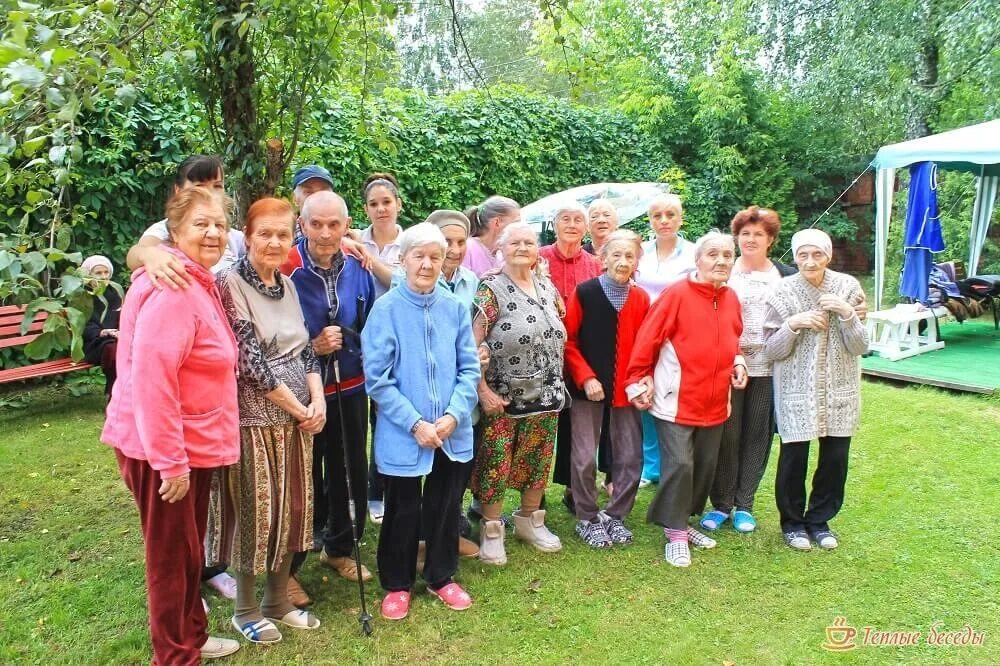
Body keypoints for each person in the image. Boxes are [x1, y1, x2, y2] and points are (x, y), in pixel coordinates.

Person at [101, 185, 241, 663]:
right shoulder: (175, 288)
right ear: (175, 230)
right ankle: (176, 654)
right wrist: (171, 463)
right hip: (163, 448)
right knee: (170, 559)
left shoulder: (195, 279)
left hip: (189, 442)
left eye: (220, 224)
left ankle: (192, 637)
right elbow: (152, 380)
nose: (213, 232)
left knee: (186, 553)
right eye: (201, 223)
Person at [210, 198, 325, 644]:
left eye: (282, 233)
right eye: (265, 233)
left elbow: (307, 349)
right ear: (248, 234)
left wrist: (318, 402)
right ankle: (246, 608)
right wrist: (299, 409)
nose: (275, 242)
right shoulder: (229, 282)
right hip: (255, 419)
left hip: (299, 418)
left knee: (295, 507)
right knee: (259, 511)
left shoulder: (288, 284)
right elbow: (249, 362)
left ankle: (278, 600)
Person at [362, 223, 481, 620]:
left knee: (446, 505)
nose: (427, 264)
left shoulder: (455, 309)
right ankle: (397, 583)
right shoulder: (386, 310)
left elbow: (469, 369)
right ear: (403, 259)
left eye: (436, 256)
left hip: (452, 429)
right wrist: (416, 424)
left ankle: (441, 575)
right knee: (403, 508)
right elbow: (377, 380)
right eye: (419, 256)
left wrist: (452, 416)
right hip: (404, 432)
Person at [625, 230, 747, 568]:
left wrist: (737, 362)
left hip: (715, 403)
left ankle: (682, 522)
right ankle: (675, 533)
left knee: (704, 467)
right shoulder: (676, 295)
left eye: (727, 255)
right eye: (713, 254)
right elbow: (648, 339)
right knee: (679, 464)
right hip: (674, 399)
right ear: (698, 260)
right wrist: (636, 380)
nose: (721, 261)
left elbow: (732, 341)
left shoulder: (732, 298)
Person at [280, 191, 376, 602]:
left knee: (349, 472)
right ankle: (287, 566)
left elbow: (371, 319)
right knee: (299, 479)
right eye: (315, 224)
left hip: (350, 387)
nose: (324, 232)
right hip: (297, 394)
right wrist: (312, 345)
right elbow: (270, 331)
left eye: (333, 224)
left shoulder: (359, 264)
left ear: (346, 224)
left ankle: (339, 547)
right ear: (301, 225)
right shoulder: (285, 265)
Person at [762, 229, 868, 552]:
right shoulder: (781, 291)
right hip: (796, 389)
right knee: (794, 456)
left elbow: (861, 345)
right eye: (803, 255)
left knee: (835, 457)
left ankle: (820, 520)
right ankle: (792, 523)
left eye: (817, 254)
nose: (810, 261)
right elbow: (771, 349)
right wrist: (794, 324)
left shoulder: (848, 287)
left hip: (840, 389)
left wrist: (848, 314)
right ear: (794, 257)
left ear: (828, 256)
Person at [470, 222, 566, 565]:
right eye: (515, 242)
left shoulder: (546, 286)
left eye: (529, 242)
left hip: (547, 396)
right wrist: (482, 390)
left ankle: (530, 521)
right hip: (504, 398)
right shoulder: (490, 289)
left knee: (538, 461)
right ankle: (492, 530)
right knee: (496, 464)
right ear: (501, 247)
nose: (522, 247)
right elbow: (473, 342)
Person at [699, 207, 796, 534]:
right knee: (726, 434)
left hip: (769, 367)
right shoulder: (723, 270)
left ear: (770, 239)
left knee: (757, 434)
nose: (751, 239)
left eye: (758, 234)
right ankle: (721, 504)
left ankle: (745, 505)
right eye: (745, 234)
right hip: (726, 365)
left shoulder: (785, 275)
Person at [564, 231, 649, 548]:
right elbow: (569, 341)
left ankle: (616, 516)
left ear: (637, 261)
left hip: (626, 390)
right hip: (588, 389)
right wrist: (585, 376)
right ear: (603, 258)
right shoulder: (584, 292)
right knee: (584, 456)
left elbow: (645, 345)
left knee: (629, 456)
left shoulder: (640, 299)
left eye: (630, 256)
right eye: (617, 255)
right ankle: (587, 517)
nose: (623, 261)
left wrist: (639, 380)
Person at [538, 202, 603, 514]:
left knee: (576, 431)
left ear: (586, 227)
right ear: (555, 224)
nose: (573, 225)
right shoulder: (538, 258)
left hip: (579, 356)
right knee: (541, 426)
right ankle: (534, 494)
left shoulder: (594, 264)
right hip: (542, 355)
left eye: (579, 220)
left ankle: (573, 490)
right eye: (566, 219)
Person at [633, 194, 696, 488]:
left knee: (674, 396)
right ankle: (650, 465)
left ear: (681, 219)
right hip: (642, 334)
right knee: (646, 395)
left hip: (680, 337)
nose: (664, 220)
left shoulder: (694, 253)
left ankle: (676, 460)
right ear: (650, 220)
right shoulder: (639, 253)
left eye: (671, 214)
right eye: (657, 215)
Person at [359, 172, 405, 525]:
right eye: (373, 204)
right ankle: (365, 491)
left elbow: (400, 282)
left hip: (400, 340)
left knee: (389, 415)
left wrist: (368, 258)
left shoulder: (411, 242)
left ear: (398, 204)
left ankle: (387, 488)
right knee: (363, 420)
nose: (380, 209)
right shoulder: (354, 239)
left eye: (386, 202)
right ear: (365, 209)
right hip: (360, 338)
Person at [125, 155, 246, 286]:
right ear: (178, 190)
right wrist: (151, 255)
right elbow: (135, 254)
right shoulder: (166, 229)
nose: (211, 193)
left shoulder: (229, 236)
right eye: (200, 186)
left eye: (217, 186)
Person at [81, 255, 121, 399]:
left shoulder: (115, 294)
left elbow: (124, 318)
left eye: (106, 273)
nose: (103, 277)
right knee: (114, 350)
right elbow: (81, 327)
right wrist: (102, 332)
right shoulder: (81, 297)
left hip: (116, 338)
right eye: (98, 273)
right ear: (88, 275)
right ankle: (114, 392)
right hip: (93, 343)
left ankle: (125, 392)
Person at [462, 195, 520, 276]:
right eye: (516, 223)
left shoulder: (501, 253)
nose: (520, 227)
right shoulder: (467, 248)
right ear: (497, 222)